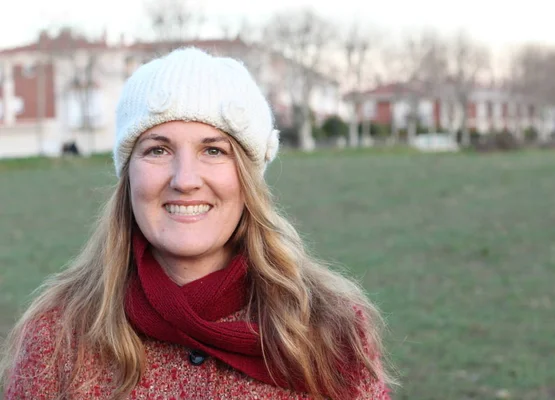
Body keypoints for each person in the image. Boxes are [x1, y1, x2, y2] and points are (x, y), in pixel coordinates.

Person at [1, 47, 393, 399]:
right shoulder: (58, 337)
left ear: (247, 179)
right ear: (129, 177)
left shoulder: (331, 329)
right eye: (157, 149)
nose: (185, 179)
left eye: (213, 150)